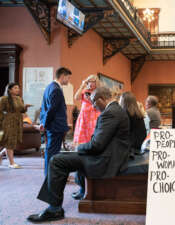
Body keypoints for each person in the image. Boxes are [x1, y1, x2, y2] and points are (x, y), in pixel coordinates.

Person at [27, 87, 131, 223]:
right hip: (108, 155)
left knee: (56, 161)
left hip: (105, 159)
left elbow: (96, 146)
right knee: (63, 156)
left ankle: (54, 209)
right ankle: (60, 203)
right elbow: (98, 143)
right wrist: (79, 148)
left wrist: (78, 147)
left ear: (102, 99)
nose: (93, 106)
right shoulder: (115, 110)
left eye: (94, 102)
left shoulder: (110, 113)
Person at [40, 67, 72, 176]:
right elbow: (51, 110)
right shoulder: (56, 89)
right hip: (55, 126)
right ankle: (50, 175)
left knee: (51, 151)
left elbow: (44, 107)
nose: (68, 80)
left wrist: (43, 122)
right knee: (53, 152)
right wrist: (44, 124)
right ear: (62, 76)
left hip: (53, 125)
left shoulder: (49, 87)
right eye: (68, 78)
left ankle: (50, 174)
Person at [0, 83, 31, 168]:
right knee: (9, 142)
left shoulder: (19, 99)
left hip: (18, 122)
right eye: (15, 88)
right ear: (9, 90)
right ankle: (11, 163)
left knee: (13, 142)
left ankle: (0, 154)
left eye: (18, 88)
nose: (18, 90)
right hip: (8, 122)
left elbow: (21, 110)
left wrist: (25, 107)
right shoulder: (3, 99)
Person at [73, 74, 101, 148]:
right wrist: (82, 86)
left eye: (93, 82)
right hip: (84, 115)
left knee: (92, 133)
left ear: (96, 83)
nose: (91, 83)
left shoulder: (98, 92)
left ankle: (92, 148)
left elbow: (100, 104)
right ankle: (81, 148)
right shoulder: (85, 90)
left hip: (94, 115)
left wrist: (91, 100)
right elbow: (76, 97)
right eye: (89, 81)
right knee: (82, 134)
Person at [119, 92, 146, 156]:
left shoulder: (124, 113)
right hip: (140, 145)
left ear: (123, 101)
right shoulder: (138, 113)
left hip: (131, 148)